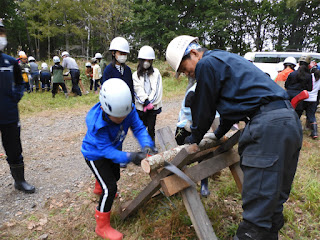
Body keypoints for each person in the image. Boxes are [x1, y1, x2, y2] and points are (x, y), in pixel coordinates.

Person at [166, 35, 303, 240]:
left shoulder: (206, 64)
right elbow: (230, 110)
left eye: (185, 68)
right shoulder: (225, 60)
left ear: (194, 52)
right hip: (288, 122)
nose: (188, 74)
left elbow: (205, 109)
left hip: (267, 127)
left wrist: (193, 138)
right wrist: (218, 135)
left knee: (254, 223)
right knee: (272, 206)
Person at [81, 78, 155, 240]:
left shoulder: (128, 109)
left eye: (124, 116)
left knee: (115, 176)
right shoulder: (97, 124)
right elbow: (106, 151)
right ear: (104, 109)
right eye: (117, 117)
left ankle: (100, 183)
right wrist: (131, 157)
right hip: (95, 155)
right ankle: (102, 226)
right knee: (110, 188)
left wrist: (147, 145)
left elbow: (138, 127)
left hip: (112, 150)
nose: (122, 119)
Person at [0, 20, 35, 193]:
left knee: (14, 150)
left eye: (2, 33)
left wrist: (15, 98)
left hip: (9, 115)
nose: (1, 38)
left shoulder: (10, 62)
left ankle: (20, 181)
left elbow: (21, 83)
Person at [133, 46, 163, 142]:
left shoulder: (156, 73)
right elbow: (137, 89)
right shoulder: (135, 75)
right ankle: (144, 145)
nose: (146, 62)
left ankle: (151, 145)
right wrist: (145, 101)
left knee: (151, 127)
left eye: (149, 60)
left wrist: (150, 102)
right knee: (141, 127)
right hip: (141, 106)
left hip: (153, 106)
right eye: (144, 60)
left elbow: (157, 89)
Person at [101, 37, 134, 102]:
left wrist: (132, 103)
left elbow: (131, 88)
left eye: (125, 54)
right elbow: (104, 90)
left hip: (126, 103)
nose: (123, 56)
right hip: (113, 103)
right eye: (121, 53)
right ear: (113, 53)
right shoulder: (108, 70)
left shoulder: (127, 70)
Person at [303, 65, 320, 139]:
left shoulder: (309, 76)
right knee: (311, 115)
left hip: (305, 97)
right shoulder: (319, 78)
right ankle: (314, 132)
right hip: (313, 99)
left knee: (299, 113)